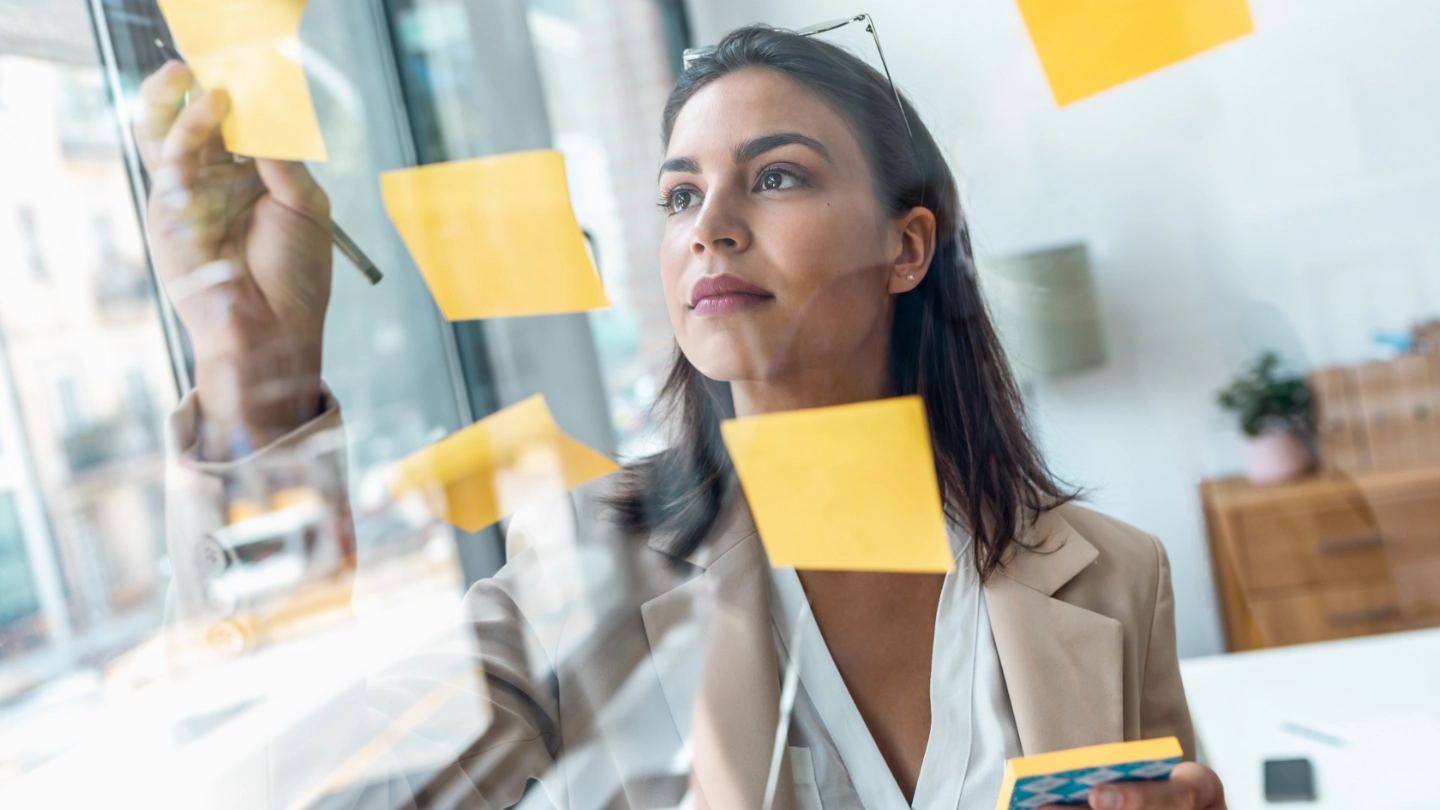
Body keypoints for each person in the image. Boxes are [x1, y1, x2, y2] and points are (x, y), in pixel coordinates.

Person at [136, 24, 1225, 810]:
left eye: (778, 177)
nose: (710, 226)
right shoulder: (593, 567)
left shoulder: (1113, 576)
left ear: (907, 247)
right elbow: (301, 790)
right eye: (678, 195)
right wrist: (249, 376)